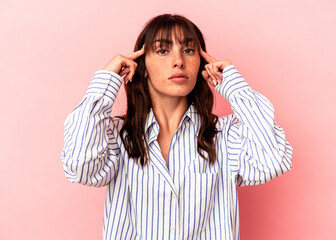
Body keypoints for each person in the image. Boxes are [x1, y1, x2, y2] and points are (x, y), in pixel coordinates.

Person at [62, 14, 293, 240]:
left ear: (201, 63)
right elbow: (80, 167)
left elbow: (271, 161)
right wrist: (106, 80)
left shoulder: (225, 136)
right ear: (141, 66)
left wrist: (233, 85)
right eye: (163, 50)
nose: (179, 61)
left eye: (189, 50)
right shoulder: (117, 137)